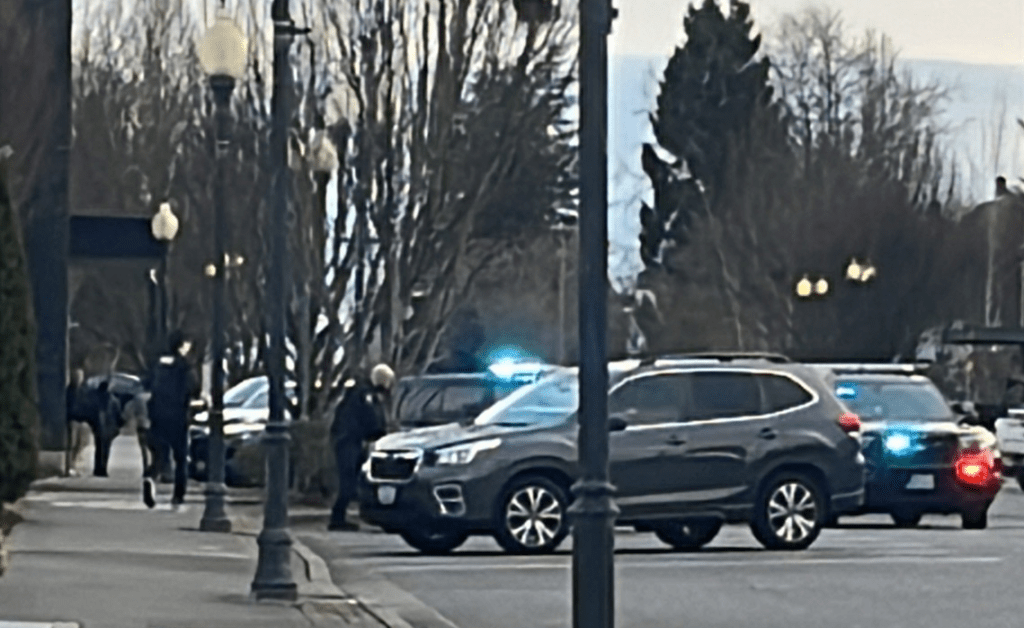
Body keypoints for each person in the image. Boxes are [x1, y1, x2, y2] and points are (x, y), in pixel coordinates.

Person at [328, 363, 393, 531]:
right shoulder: (365, 394)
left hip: (349, 440)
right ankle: (337, 518)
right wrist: (380, 433)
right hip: (349, 441)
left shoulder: (360, 392)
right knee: (348, 481)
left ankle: (341, 517)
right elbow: (371, 418)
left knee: (354, 480)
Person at [145, 331, 198, 508]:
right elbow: (192, 388)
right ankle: (178, 495)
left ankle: (151, 477)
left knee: (160, 455)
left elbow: (149, 384)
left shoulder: (160, 364)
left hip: (158, 415)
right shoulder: (184, 366)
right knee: (181, 458)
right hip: (178, 417)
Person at [91, 379, 123, 477]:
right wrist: (119, 426)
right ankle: (103, 468)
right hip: (109, 427)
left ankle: (98, 468)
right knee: (105, 449)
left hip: (99, 427)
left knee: (99, 448)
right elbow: (118, 415)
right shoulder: (114, 401)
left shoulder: (96, 400)